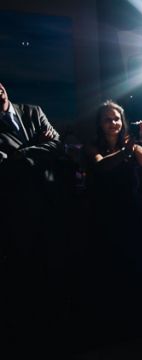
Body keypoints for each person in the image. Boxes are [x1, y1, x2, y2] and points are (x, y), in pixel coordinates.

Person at [82, 100, 142, 324]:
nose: (113, 123)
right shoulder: (92, 147)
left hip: (130, 212)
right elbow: (101, 166)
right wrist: (124, 152)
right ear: (100, 124)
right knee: (108, 264)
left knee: (134, 262)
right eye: (108, 119)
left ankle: (135, 316)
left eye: (116, 118)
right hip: (103, 213)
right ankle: (110, 318)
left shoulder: (130, 146)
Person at [0, 81, 63, 341]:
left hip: (50, 201)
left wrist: (19, 154)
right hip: (17, 208)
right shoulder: (36, 124)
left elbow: (57, 144)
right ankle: (28, 331)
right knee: (23, 268)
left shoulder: (33, 112)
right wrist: (37, 145)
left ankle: (54, 326)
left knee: (54, 264)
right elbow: (3, 167)